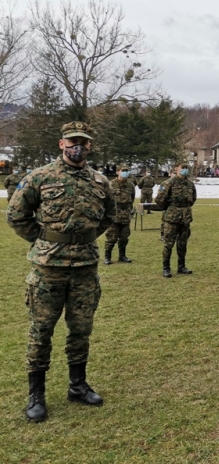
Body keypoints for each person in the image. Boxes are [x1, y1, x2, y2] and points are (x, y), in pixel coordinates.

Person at [7, 121, 114, 422]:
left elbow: (109, 216)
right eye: (72, 141)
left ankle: (77, 386)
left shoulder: (99, 181)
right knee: (41, 331)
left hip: (84, 267)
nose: (77, 146)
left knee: (81, 330)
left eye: (83, 141)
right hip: (48, 268)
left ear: (90, 146)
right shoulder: (39, 177)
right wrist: (45, 241)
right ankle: (36, 394)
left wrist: (84, 239)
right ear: (61, 144)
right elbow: (17, 215)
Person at [155, 163, 196, 277]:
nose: (184, 170)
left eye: (186, 168)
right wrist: (170, 209)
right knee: (169, 243)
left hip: (185, 217)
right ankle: (166, 268)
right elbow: (160, 199)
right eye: (182, 168)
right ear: (176, 169)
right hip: (172, 217)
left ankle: (181, 266)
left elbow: (193, 199)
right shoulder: (169, 183)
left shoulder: (190, 184)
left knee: (182, 244)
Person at [104, 165, 136, 264]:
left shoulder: (131, 185)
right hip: (114, 214)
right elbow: (106, 199)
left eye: (127, 171)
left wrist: (129, 210)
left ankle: (122, 256)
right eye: (123, 171)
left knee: (124, 237)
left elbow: (132, 199)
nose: (125, 173)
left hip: (125, 214)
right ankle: (107, 257)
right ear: (118, 172)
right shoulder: (111, 184)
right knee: (111, 237)